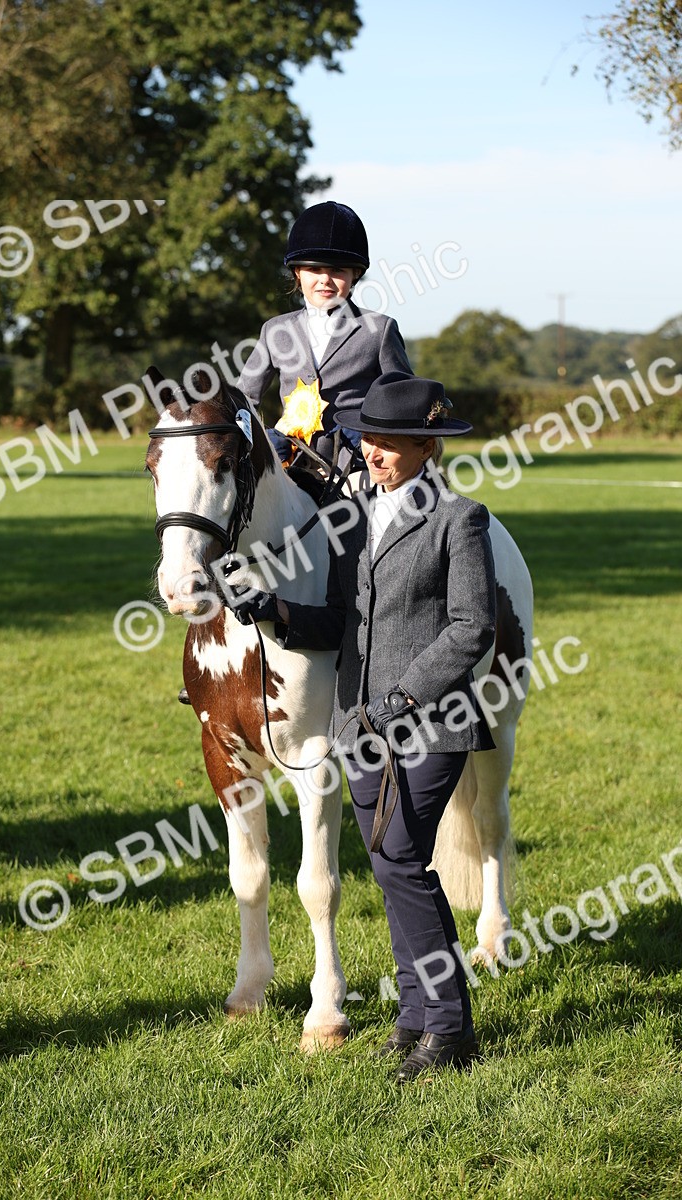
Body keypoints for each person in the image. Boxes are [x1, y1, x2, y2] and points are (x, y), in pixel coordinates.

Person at [225, 372, 496, 1083]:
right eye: (369, 438)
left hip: (431, 722)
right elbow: (342, 622)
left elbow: (472, 628)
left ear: (427, 447)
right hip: (358, 725)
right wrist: (274, 611)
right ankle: (415, 1015)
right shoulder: (353, 518)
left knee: (402, 859)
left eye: (392, 441)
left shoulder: (460, 520)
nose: (375, 452)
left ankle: (449, 1027)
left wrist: (399, 701)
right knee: (387, 865)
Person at [237, 201, 413, 470]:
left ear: (355, 274)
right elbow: (244, 399)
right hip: (289, 465)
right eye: (314, 270)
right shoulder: (275, 331)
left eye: (337, 270)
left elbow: (403, 399)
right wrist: (260, 439)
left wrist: (371, 434)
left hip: (354, 466)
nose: (325, 280)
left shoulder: (379, 329)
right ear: (297, 272)